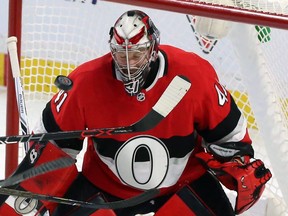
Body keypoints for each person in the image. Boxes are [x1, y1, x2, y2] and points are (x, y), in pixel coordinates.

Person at [0, 10, 271, 216]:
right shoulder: (85, 83)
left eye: (137, 53)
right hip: (105, 188)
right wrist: (38, 180)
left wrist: (237, 163)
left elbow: (230, 135)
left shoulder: (194, 76)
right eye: (121, 54)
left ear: (153, 48)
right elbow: (52, 148)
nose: (128, 63)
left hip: (181, 183)